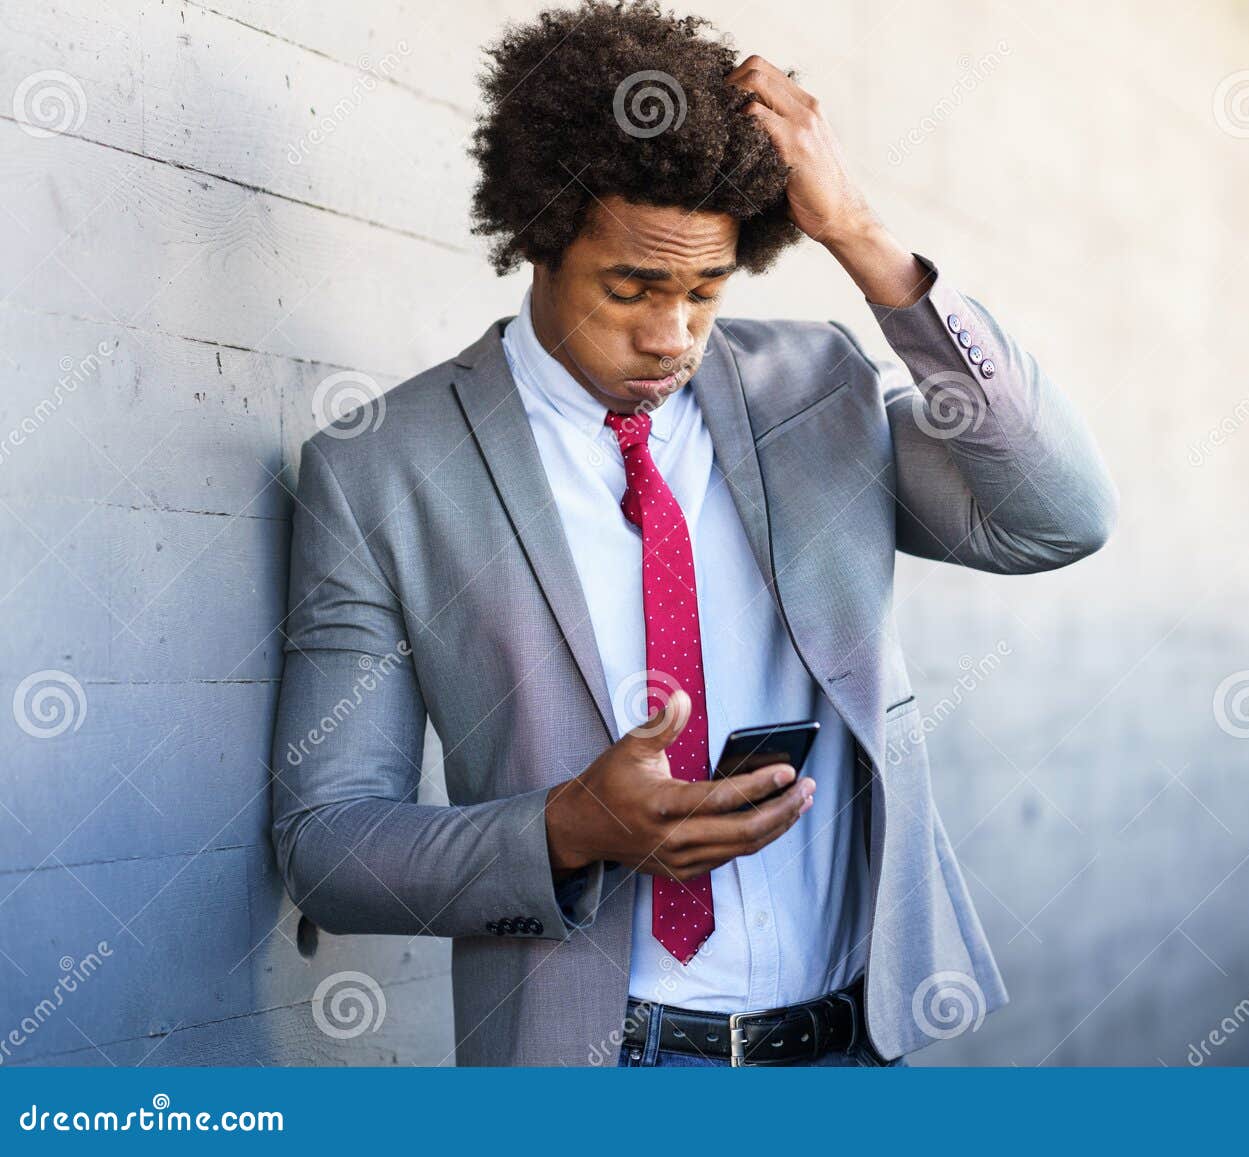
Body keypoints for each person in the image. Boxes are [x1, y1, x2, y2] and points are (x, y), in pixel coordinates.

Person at [269, 0, 1117, 1067]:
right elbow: (327, 845)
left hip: (856, 1047)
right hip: (596, 1063)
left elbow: (1054, 517)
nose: (670, 333)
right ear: (538, 240)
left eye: (704, 290)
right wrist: (570, 827)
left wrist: (860, 234)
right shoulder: (382, 469)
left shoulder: (816, 391)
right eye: (630, 288)